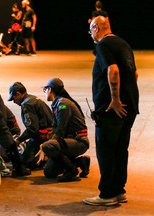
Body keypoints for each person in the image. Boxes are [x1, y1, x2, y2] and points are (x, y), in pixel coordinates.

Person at [83, 16, 139, 206]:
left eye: (91, 30)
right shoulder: (123, 43)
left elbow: (113, 71)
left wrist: (115, 99)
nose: (90, 34)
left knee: (106, 151)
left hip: (111, 109)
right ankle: (119, 191)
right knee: (120, 150)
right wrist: (127, 96)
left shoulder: (103, 45)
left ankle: (107, 194)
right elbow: (134, 73)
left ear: (96, 28)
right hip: (130, 106)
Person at [35, 78, 90, 182]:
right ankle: (80, 162)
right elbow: (54, 130)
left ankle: (71, 171)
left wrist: (46, 146)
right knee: (49, 172)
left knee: (48, 146)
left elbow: (61, 130)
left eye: (45, 89)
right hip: (67, 142)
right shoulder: (56, 104)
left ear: (50, 89)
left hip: (79, 141)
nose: (45, 92)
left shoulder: (63, 104)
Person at [8, 82, 53, 169]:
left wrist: (19, 140)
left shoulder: (27, 104)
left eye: (13, 98)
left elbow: (32, 129)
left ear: (18, 94)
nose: (13, 101)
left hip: (41, 137)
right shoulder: (33, 99)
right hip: (50, 134)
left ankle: (47, 160)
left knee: (24, 163)